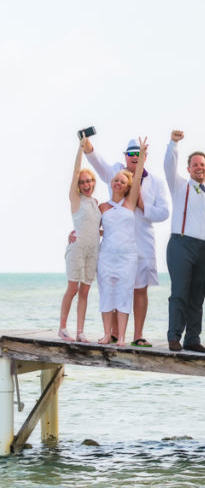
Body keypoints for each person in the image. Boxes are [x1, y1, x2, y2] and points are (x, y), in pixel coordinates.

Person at [84, 135, 170, 347]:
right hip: (115, 246)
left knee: (140, 288)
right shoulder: (115, 173)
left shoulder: (156, 181)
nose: (134, 157)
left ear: (144, 156)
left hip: (142, 242)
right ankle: (113, 333)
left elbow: (164, 213)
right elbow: (96, 161)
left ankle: (137, 335)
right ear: (125, 156)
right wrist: (86, 145)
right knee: (113, 286)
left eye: (138, 154)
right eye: (130, 153)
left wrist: (143, 206)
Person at [163, 130, 205, 353]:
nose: (199, 168)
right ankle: (174, 337)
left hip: (204, 250)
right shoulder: (179, 186)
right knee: (180, 292)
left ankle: (193, 338)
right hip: (181, 245)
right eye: (195, 165)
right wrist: (174, 144)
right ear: (189, 168)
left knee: (197, 296)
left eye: (203, 165)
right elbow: (168, 166)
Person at [96, 138, 149, 346]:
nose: (118, 183)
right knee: (106, 294)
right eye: (116, 180)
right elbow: (94, 231)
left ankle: (123, 337)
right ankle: (108, 334)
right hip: (106, 256)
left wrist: (141, 154)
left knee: (125, 294)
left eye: (122, 182)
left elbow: (136, 179)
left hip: (127, 256)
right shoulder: (102, 207)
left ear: (127, 187)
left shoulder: (130, 202)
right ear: (111, 183)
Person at [61, 139, 100, 342]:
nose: (86, 185)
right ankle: (62, 327)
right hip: (76, 250)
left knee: (85, 291)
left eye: (89, 181)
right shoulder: (75, 200)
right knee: (73, 288)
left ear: (94, 182)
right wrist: (80, 149)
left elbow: (96, 229)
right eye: (82, 182)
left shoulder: (96, 203)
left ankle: (80, 331)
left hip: (93, 251)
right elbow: (76, 171)